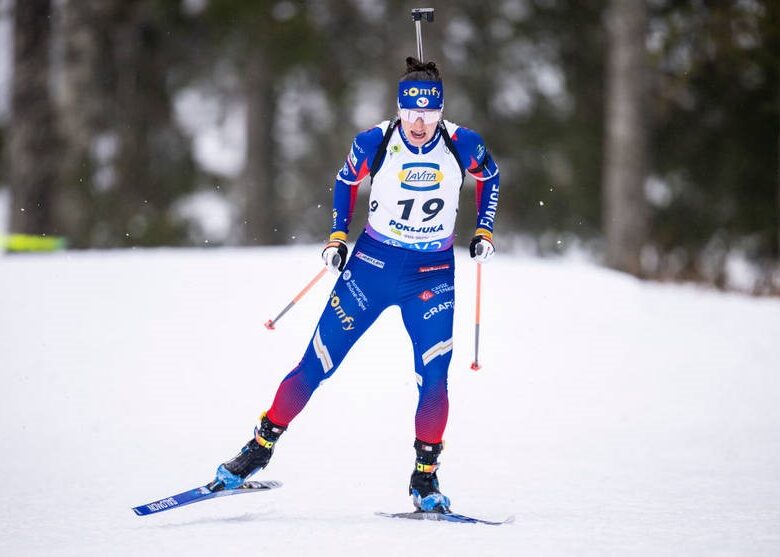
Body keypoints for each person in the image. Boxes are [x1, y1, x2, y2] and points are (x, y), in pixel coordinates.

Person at [209, 57, 501, 513]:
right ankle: (257, 450)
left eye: (428, 112)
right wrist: (338, 235)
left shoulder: (463, 144)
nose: (419, 122)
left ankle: (425, 479)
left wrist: (483, 228)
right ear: (399, 109)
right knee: (316, 363)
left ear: (441, 110)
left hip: (431, 273)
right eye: (411, 112)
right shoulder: (376, 141)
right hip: (372, 265)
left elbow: (490, 177)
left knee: (435, 376)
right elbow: (346, 180)